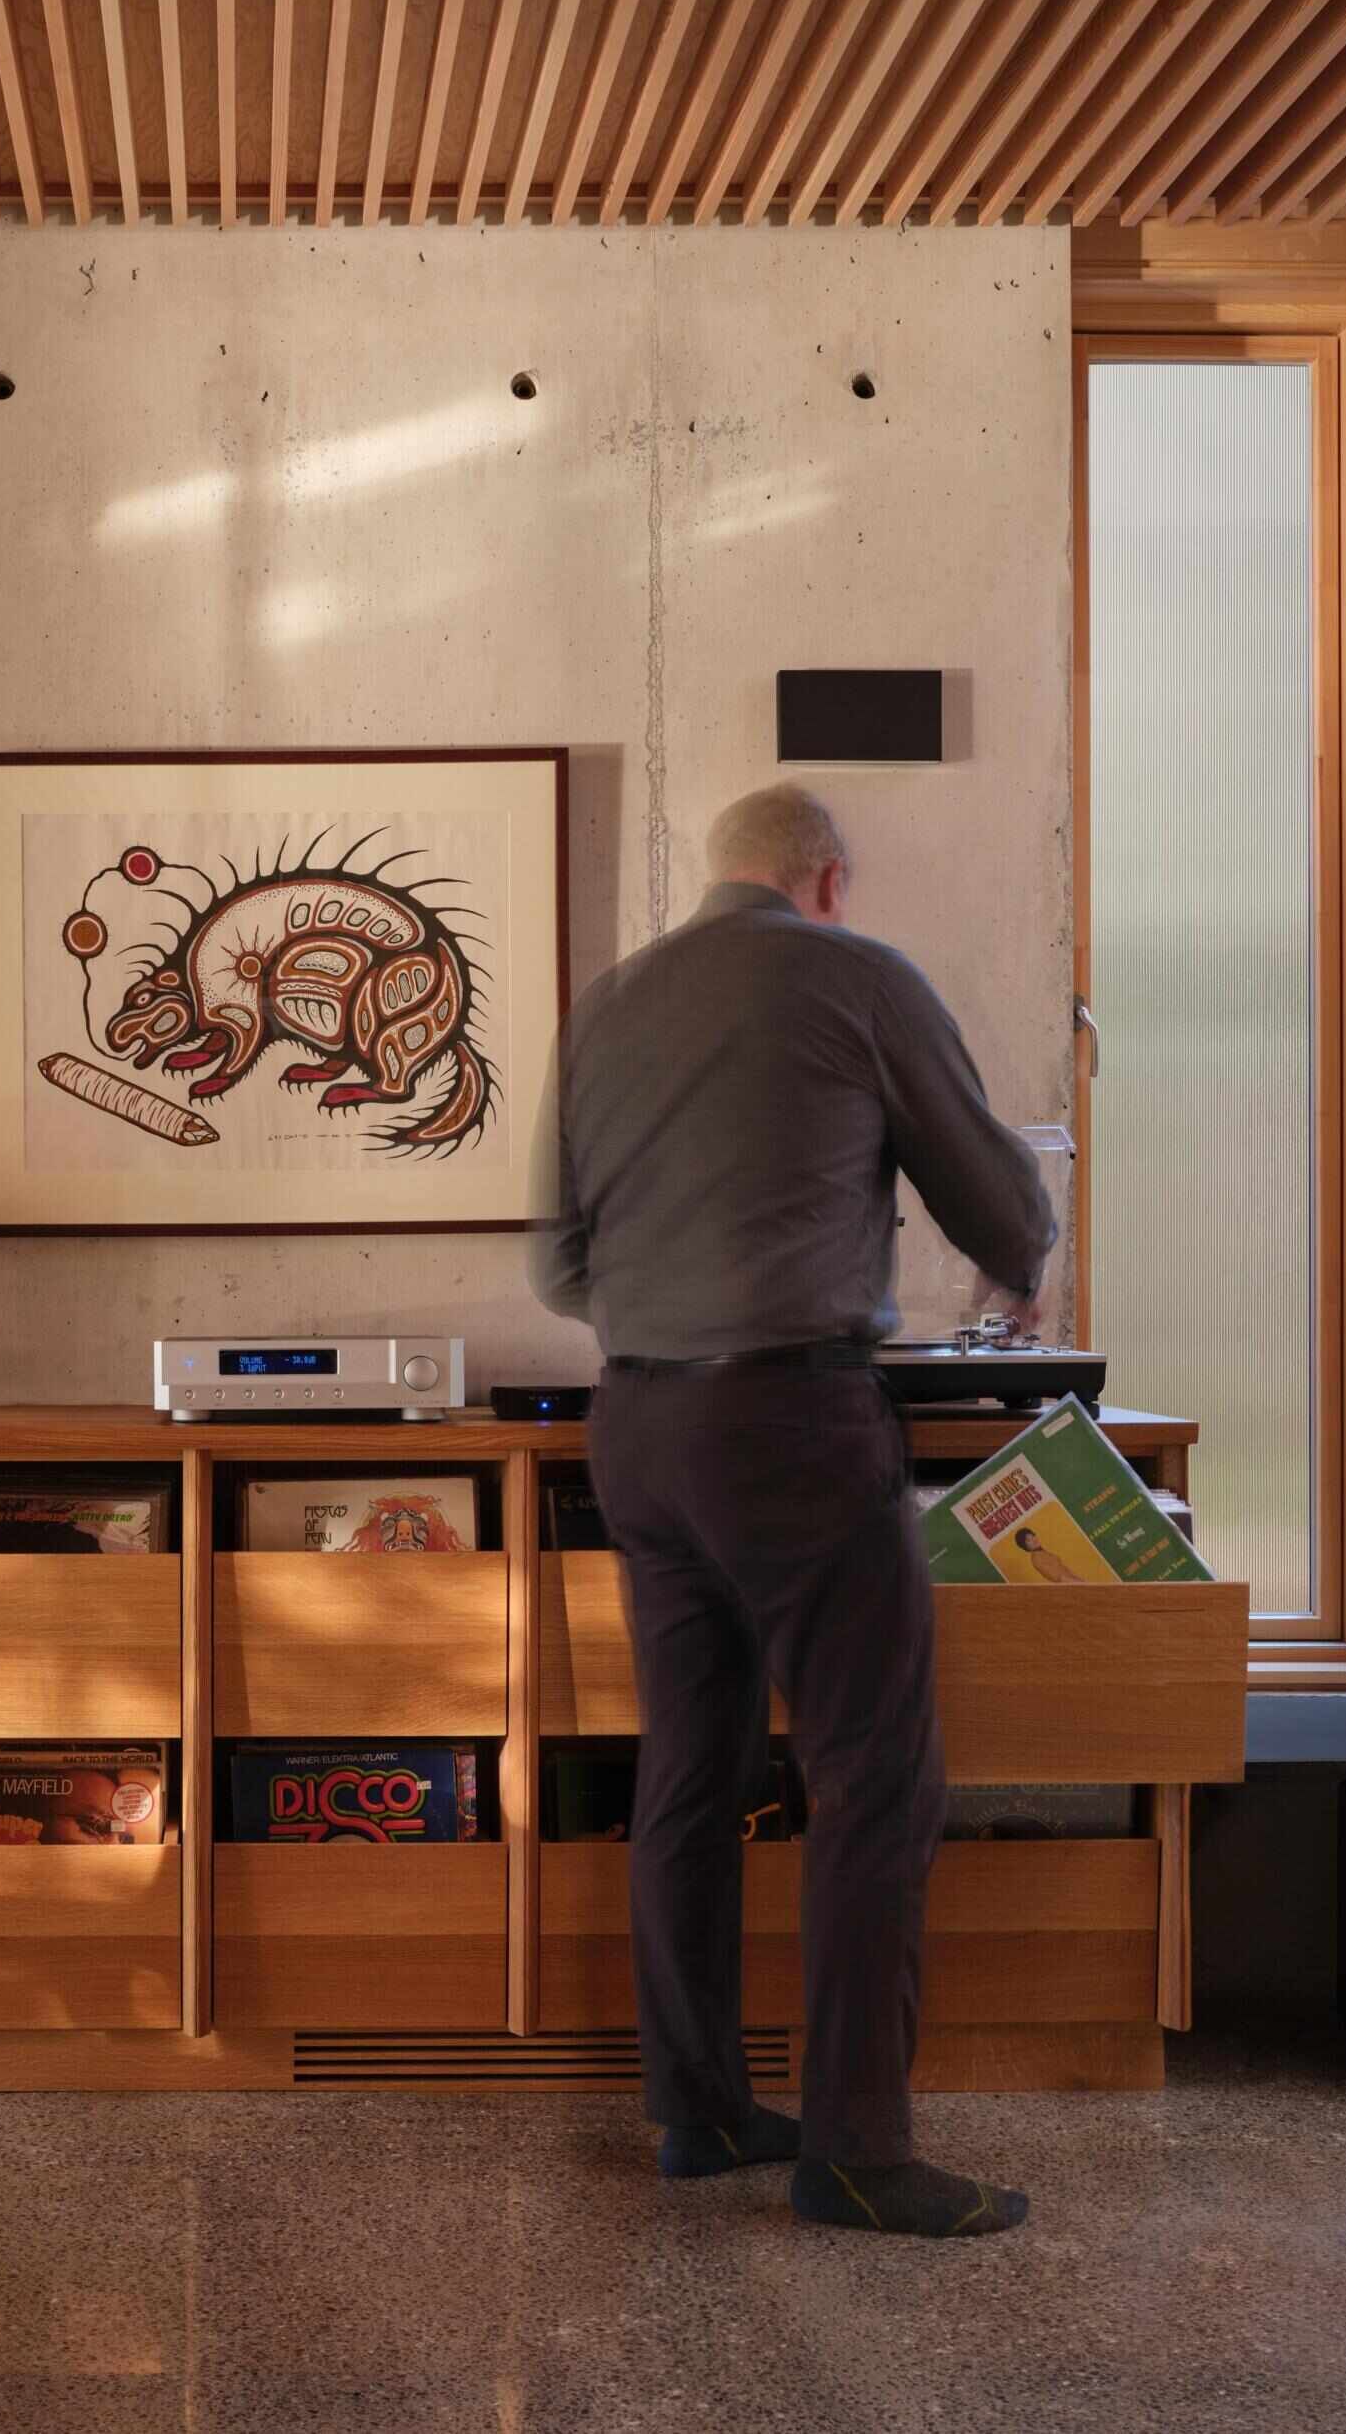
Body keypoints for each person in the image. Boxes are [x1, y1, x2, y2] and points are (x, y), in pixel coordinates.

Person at [531, 783, 1054, 2238]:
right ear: (828, 880)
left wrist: (673, 1311)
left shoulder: (606, 1005)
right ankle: (857, 2152)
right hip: (794, 1424)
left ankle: (696, 2110)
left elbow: (558, 1267)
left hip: (636, 1422)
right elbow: (1003, 1217)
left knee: (689, 1772)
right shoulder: (859, 977)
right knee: (873, 1776)